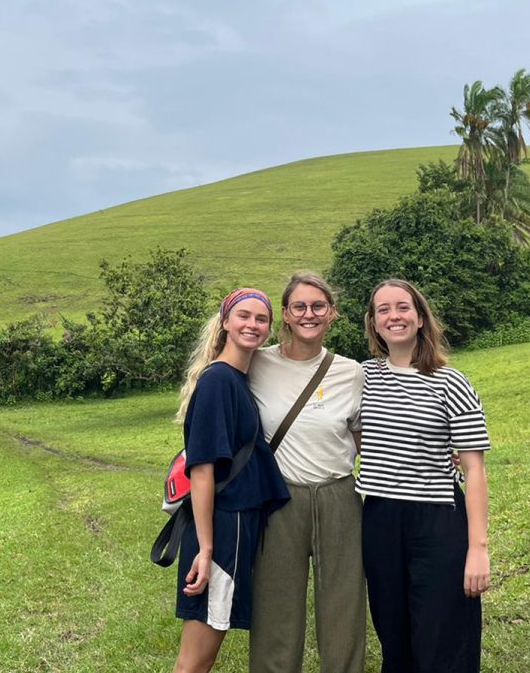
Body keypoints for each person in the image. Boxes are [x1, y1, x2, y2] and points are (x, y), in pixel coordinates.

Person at [357, 279, 491, 673]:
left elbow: (474, 469)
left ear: (419, 318)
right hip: (379, 518)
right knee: (393, 636)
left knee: (442, 638)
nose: (393, 316)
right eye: (383, 309)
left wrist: (477, 548)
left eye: (402, 307)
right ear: (373, 323)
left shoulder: (451, 381)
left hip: (437, 519)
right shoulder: (361, 377)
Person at [248, 272, 367, 673]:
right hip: (281, 497)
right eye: (299, 306)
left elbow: (365, 437)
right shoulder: (258, 362)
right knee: (275, 605)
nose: (309, 314)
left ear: (332, 313)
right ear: (285, 313)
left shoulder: (351, 372)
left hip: (339, 495)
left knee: (344, 603)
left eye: (318, 306)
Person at [172, 287, 291, 673]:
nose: (252, 325)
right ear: (225, 322)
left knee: (206, 655)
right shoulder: (219, 382)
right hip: (222, 532)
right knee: (195, 661)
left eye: (261, 319)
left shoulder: (238, 379)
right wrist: (206, 551)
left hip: (235, 529)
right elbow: (203, 471)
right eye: (244, 316)